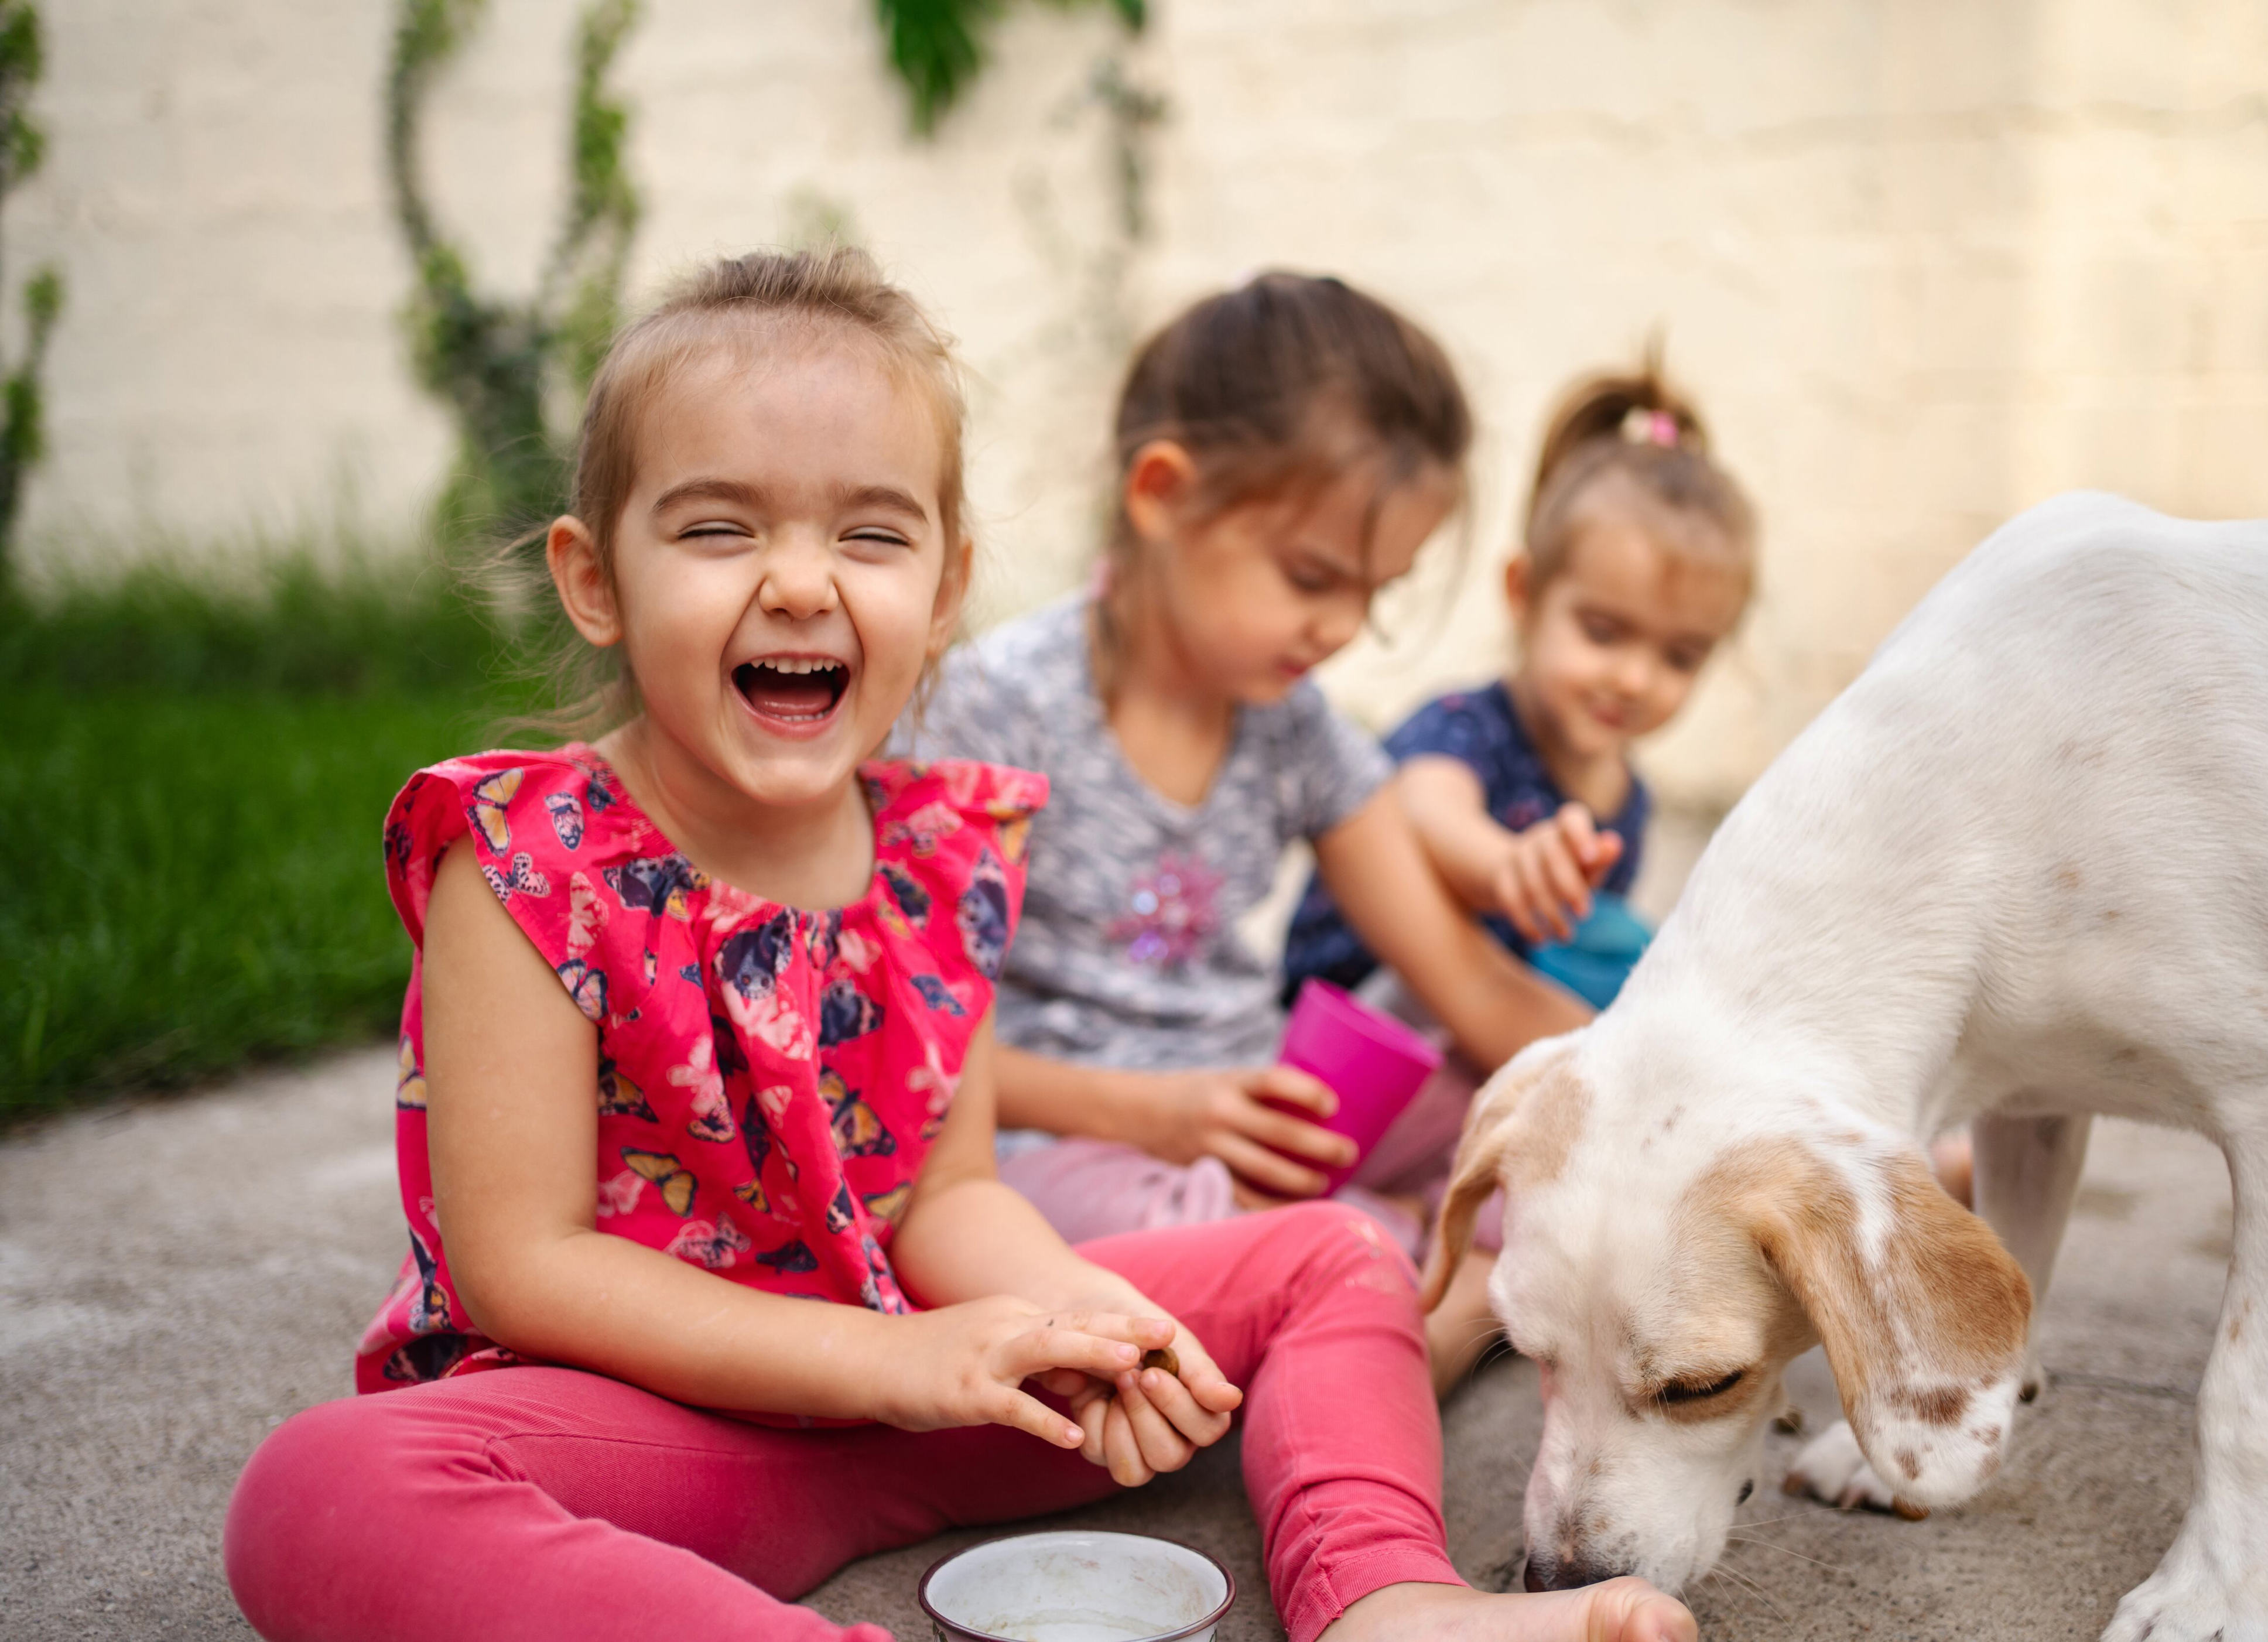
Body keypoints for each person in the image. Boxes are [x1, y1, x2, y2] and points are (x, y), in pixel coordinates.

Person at [218, 249, 1694, 1642]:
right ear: (594, 577)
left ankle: (1381, 1596)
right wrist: (899, 1360)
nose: (802, 581)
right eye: (720, 526)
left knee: (1331, 1251)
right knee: (319, 1487)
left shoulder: (936, 852)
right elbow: (520, 1267)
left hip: (948, 1410)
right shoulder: (529, 858)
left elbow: (945, 1192)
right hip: (665, 1427)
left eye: (867, 533)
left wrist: (1081, 1318)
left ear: (937, 593)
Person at [909, 273, 1590, 1393]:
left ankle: (1398, 1278)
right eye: (1312, 576)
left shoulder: (1294, 726)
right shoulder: (993, 712)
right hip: (1070, 1148)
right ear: (1163, 493)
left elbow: (1463, 976)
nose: (1338, 628)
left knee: (1530, 1121)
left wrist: (1658, 1069)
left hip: (1255, 1122)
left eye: (1374, 592)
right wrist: (1159, 1113)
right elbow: (919, 1056)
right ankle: (1432, 1293)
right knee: (1184, 1239)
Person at [1282, 361, 1756, 1012]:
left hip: (1473, 1013)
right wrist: (1507, 863)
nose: (1635, 678)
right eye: (1603, 632)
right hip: (1352, 1005)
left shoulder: (1627, 803)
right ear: (1523, 594)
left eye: (1680, 656)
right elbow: (1422, 810)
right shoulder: (1466, 724)